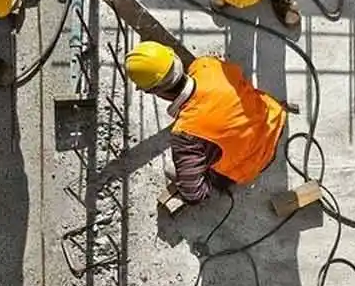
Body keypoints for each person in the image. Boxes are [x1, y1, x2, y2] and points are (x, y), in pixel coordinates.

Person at [124, 41, 289, 204]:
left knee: (171, 169)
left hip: (254, 161)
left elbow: (194, 194)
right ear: (176, 60)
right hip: (272, 120)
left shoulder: (185, 134)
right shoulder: (206, 65)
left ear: (153, 91)